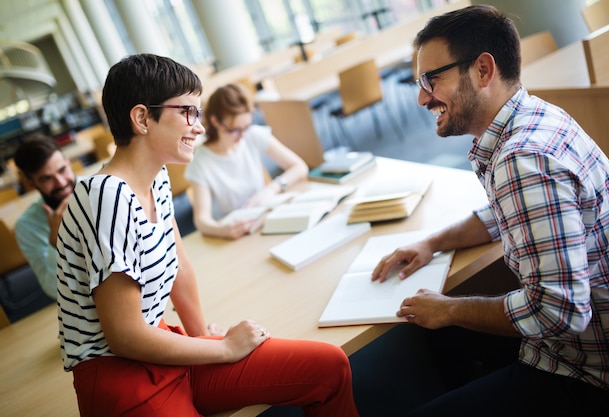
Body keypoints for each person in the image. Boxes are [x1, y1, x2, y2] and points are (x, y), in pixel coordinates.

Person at [56, 53, 359, 417]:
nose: (198, 126)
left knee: (328, 366)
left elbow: (178, 264)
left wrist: (202, 336)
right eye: (187, 112)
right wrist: (224, 349)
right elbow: (124, 336)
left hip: (166, 347)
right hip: (122, 379)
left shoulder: (157, 177)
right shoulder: (106, 195)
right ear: (142, 119)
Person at [371, 5, 609, 417]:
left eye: (430, 80)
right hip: (592, 341)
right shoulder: (533, 116)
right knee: (431, 333)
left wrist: (450, 308)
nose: (421, 97)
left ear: (483, 71)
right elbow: (505, 214)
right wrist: (431, 242)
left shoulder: (522, 159)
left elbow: (559, 314)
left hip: (593, 371)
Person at [184, 83, 308, 239]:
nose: (242, 135)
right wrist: (222, 230)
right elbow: (202, 220)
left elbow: (299, 167)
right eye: (235, 130)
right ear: (215, 121)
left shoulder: (252, 134)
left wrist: (271, 189)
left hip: (264, 222)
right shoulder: (201, 161)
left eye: (246, 126)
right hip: (236, 233)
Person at [13, 134, 76, 299]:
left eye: (63, 170)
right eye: (47, 179)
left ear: (68, 162)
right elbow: (53, 290)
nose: (61, 183)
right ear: (30, 183)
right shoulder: (27, 226)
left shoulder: (101, 192)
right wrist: (55, 241)